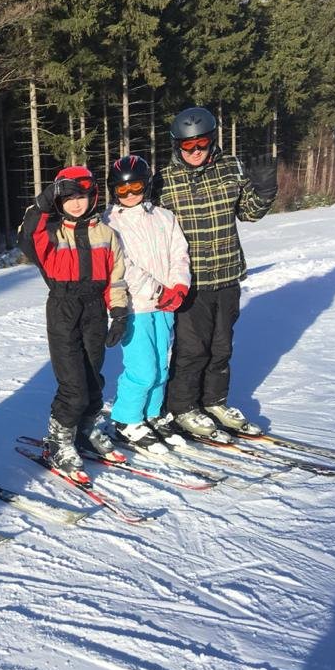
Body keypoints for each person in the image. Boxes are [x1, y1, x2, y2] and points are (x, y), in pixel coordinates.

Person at [152, 107, 278, 438]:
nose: (196, 151)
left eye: (202, 143)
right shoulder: (163, 181)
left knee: (222, 348)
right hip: (190, 282)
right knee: (192, 350)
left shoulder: (231, 168)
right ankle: (182, 407)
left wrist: (265, 190)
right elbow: (149, 230)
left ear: (212, 140)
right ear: (176, 145)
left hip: (227, 275)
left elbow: (249, 213)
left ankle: (213, 401)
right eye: (188, 145)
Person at [19, 165, 129, 482]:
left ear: (93, 197)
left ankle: (84, 431)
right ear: (58, 201)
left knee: (94, 380)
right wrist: (44, 200)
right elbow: (27, 234)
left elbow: (116, 278)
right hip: (63, 309)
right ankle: (59, 441)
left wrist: (119, 312)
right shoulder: (51, 233)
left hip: (95, 309)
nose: (76, 204)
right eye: (68, 198)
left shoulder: (106, 234)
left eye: (82, 196)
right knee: (74, 387)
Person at [103, 155, 191, 453]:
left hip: (165, 305)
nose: (129, 194)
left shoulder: (164, 217)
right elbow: (121, 265)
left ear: (147, 185)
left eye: (136, 187)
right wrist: (157, 288)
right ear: (114, 190)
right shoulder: (109, 223)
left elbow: (179, 253)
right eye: (122, 189)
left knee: (161, 365)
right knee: (142, 368)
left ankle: (151, 413)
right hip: (134, 306)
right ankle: (126, 419)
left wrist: (179, 285)